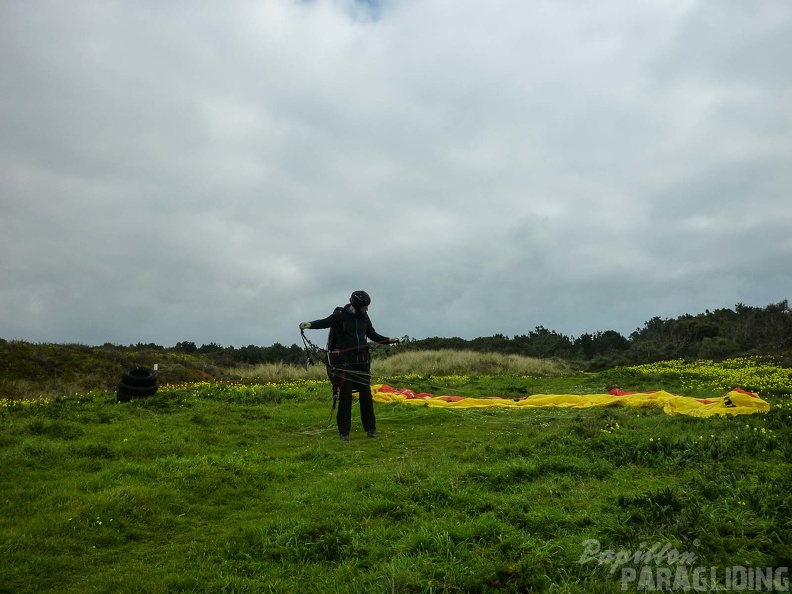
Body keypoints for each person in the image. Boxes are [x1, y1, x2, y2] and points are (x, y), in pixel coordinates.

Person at [300, 290, 399, 441]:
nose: (367, 309)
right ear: (357, 305)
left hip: (362, 362)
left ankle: (371, 429)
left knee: (366, 395)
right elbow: (325, 322)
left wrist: (389, 340)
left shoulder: (365, 318)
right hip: (345, 364)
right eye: (365, 306)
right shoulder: (340, 316)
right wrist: (310, 325)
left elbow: (372, 335)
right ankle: (344, 433)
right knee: (345, 396)